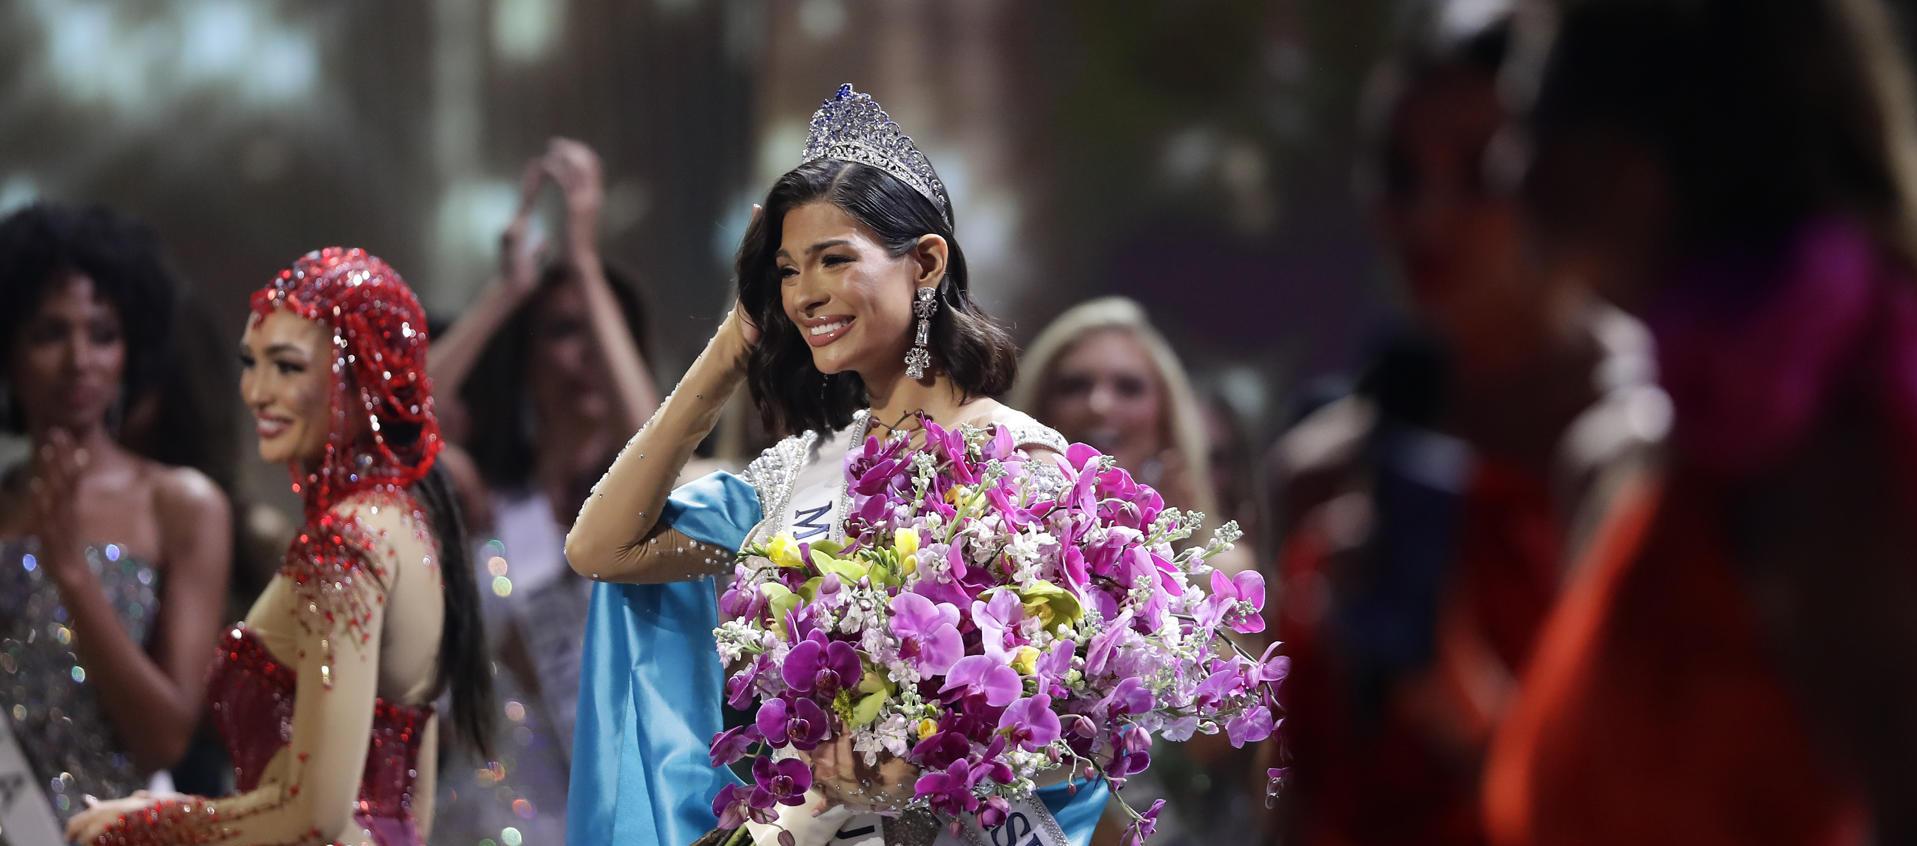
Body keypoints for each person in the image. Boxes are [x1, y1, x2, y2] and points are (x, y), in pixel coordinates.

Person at [563, 84, 1108, 846]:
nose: (805, 294)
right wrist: (731, 347)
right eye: (786, 271)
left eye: (832, 260)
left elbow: (1080, 725)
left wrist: (916, 771)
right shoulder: (802, 469)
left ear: (923, 263)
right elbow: (602, 549)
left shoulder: (1024, 461)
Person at [1481, 0, 1917, 842]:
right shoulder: (1662, 454)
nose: (1506, 170)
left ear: (1628, 164)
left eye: (1532, 112)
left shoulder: (1831, 451)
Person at [1268, 3, 1662, 844]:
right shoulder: (1321, 468)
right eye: (1399, 175)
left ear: (1557, 173)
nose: (1427, 218)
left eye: (1480, 172)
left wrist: (1466, 711)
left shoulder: (1657, 434)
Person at [65, 247, 494, 845]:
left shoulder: (346, 546)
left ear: (362, 375)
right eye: (251, 363)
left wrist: (148, 824)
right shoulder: (405, 525)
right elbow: (402, 808)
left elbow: (311, 815)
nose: (258, 392)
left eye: (288, 368)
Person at [428, 138, 659, 845]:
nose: (586, 352)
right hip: (485, 823)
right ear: (526, 354)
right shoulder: (485, 499)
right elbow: (398, 422)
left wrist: (585, 261)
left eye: (601, 330)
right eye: (563, 330)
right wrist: (505, 295)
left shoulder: (661, 513)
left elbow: (659, 444)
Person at [0, 203, 233, 830]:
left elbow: (165, 740)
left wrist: (71, 573)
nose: (80, 360)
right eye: (50, 333)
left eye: (102, 333)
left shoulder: (181, 505)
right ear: (10, 354)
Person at [1011, 297, 1261, 846]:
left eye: (1129, 387)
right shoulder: (1000, 548)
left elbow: (1216, 743)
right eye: (1074, 384)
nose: (1101, 403)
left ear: (1166, 410)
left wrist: (1164, 564)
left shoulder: (1217, 567)